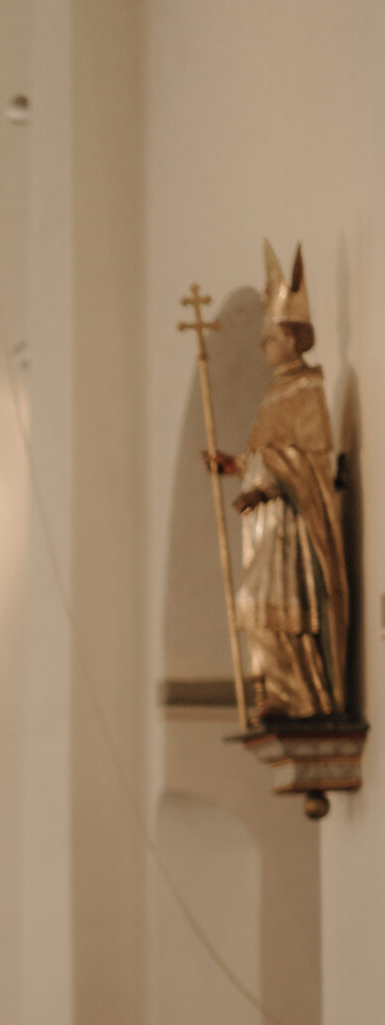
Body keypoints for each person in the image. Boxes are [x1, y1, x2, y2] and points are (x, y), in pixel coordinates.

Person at [205, 241, 349, 724]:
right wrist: (236, 465)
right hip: (264, 526)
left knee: (277, 609)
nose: (261, 345)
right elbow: (266, 455)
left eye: (268, 336)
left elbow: (307, 462)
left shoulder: (308, 388)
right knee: (254, 608)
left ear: (292, 336)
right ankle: (277, 693)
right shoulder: (275, 392)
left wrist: (263, 486)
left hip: (289, 529)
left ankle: (306, 698)